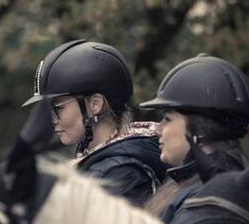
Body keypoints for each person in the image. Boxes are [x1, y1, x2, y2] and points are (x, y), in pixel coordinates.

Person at [22, 39, 167, 206]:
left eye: (57, 107)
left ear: (95, 104)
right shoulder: (93, 159)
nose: (51, 119)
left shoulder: (123, 174)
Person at [139, 54, 249, 223]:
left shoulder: (205, 199)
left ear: (201, 130)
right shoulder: (190, 186)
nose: (158, 128)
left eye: (168, 119)